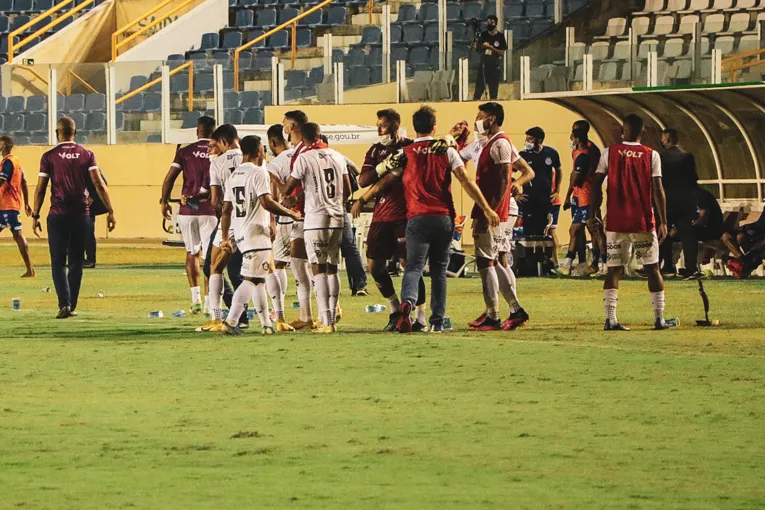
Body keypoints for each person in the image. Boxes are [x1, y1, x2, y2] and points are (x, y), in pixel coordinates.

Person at [354, 106, 500, 333]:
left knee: (412, 267)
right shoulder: (445, 151)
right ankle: (436, 322)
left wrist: (362, 200)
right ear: (433, 126)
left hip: (416, 218)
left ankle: (407, 304)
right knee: (439, 272)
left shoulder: (406, 152)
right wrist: (488, 209)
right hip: (442, 218)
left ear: (414, 127)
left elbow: (385, 180)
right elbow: (466, 182)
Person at [589, 114, 677, 331]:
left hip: (616, 223)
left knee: (614, 270)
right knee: (652, 268)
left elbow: (596, 184)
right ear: (642, 132)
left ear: (623, 130)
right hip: (642, 221)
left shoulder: (609, 153)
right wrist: (663, 221)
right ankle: (659, 319)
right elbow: (658, 189)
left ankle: (611, 319)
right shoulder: (651, 155)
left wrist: (592, 214)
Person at [32, 117, 116, 318]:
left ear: (56, 132)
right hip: (81, 215)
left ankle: (64, 304)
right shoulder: (86, 154)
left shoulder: (49, 157)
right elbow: (99, 184)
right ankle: (72, 304)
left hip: (58, 215)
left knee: (58, 261)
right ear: (75, 132)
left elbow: (41, 188)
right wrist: (111, 211)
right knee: (77, 261)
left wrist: (35, 214)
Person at [219, 135, 302, 336]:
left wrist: (224, 237)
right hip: (257, 233)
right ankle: (231, 320)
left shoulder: (234, 175)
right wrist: (291, 213)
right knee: (250, 280)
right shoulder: (258, 173)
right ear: (259, 151)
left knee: (259, 279)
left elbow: (226, 209)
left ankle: (266, 324)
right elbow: (266, 202)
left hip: (241, 233)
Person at [358, 109, 430, 331]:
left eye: (384, 124)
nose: (379, 129)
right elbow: (363, 180)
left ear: (396, 124)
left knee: (409, 265)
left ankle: (420, 317)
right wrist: (384, 165)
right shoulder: (375, 150)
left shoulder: (409, 147)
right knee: (374, 265)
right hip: (381, 214)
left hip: (407, 214)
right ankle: (395, 309)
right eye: (378, 124)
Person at [279, 123, 351, 334]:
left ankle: (326, 321)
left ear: (302, 137)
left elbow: (289, 188)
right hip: (337, 218)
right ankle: (330, 320)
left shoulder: (304, 158)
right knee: (333, 267)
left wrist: (282, 189)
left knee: (318, 268)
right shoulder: (338, 156)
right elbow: (347, 188)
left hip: (315, 219)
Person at [468, 102, 534, 331]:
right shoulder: (491, 143)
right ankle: (512, 310)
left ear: (492, 119)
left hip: (495, 210)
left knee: (487, 260)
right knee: (492, 261)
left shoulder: (500, 144)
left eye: (480, 116)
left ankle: (495, 315)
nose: (477, 120)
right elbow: (520, 174)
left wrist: (490, 212)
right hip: (492, 208)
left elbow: (505, 180)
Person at [161, 115, 218, 314]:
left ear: (197, 130)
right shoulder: (217, 152)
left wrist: (164, 201)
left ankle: (195, 300)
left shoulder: (185, 151)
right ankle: (210, 302)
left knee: (192, 252)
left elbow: (169, 178)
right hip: (209, 210)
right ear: (214, 131)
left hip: (187, 211)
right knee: (211, 257)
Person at [196, 124, 244, 333]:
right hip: (252, 222)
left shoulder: (217, 163)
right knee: (251, 274)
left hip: (230, 222)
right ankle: (268, 319)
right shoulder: (250, 158)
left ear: (224, 142)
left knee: (213, 267)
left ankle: (218, 319)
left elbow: (216, 200)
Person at [282, 110, 316, 330]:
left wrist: (290, 198)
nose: (284, 128)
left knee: (309, 265)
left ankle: (315, 315)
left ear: (292, 127)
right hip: (306, 214)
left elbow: (303, 184)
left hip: (305, 214)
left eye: (285, 125)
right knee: (307, 264)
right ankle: (312, 314)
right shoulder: (304, 150)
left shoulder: (303, 152)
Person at [559, 121, 606, 276]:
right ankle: (579, 263)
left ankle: (601, 263)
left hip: (588, 195)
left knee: (593, 228)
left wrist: (567, 195)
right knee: (577, 229)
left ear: (577, 136)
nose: (570, 137)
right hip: (579, 195)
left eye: (572, 133)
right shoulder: (578, 152)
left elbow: (578, 177)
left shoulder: (588, 153)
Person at [265, 124, 298, 331]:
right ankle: (324, 312)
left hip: (285, 218)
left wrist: (271, 221)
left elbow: (273, 195)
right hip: (305, 216)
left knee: (275, 264)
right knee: (301, 265)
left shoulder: (275, 164)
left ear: (272, 142)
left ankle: (277, 311)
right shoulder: (300, 154)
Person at [659, 127, 700, 278]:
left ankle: (667, 265)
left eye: (663, 139)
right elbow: (693, 179)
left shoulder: (661, 157)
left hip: (667, 202)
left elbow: (658, 181)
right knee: (687, 235)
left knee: (664, 234)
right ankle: (691, 267)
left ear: (666, 140)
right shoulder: (687, 156)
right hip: (685, 201)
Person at [0, 135, 35, 278]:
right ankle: (30, 270)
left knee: (18, 235)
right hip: (5, 205)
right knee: (17, 235)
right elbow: (24, 182)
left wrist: (25, 203)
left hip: (8, 206)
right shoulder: (16, 161)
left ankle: (30, 270)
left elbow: (1, 180)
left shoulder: (8, 162)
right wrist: (26, 203)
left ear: (4, 145)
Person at [519, 126, 562, 237]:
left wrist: (557, 190)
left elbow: (558, 170)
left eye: (530, 139)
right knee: (528, 231)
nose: (527, 142)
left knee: (543, 231)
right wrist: (516, 193)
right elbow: (509, 171)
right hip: (528, 199)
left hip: (545, 199)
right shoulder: (523, 155)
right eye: (526, 139)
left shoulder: (551, 153)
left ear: (540, 140)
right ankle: (528, 254)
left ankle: (543, 254)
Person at [473, 15, 507, 101]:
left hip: (494, 66)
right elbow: (477, 49)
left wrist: (490, 47)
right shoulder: (483, 35)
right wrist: (476, 44)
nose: (490, 24)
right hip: (483, 65)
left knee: (493, 92)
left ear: (496, 24)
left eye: (492, 22)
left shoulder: (500, 36)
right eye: (488, 22)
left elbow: (501, 52)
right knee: (478, 91)